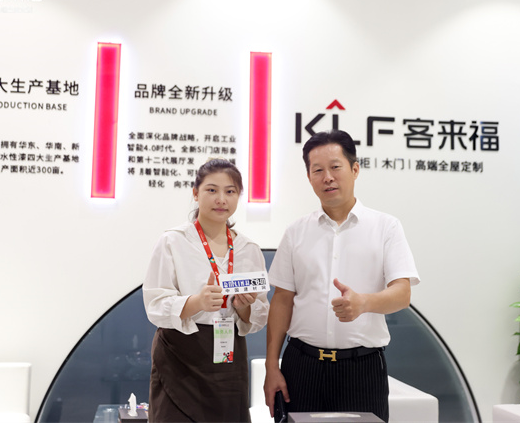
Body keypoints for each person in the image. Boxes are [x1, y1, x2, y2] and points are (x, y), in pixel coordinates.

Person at [263, 130, 420, 423]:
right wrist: (272, 366)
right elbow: (282, 300)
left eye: (335, 167)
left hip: (362, 369)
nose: (327, 178)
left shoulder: (386, 227)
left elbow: (402, 293)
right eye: (317, 170)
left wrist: (364, 303)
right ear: (309, 177)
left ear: (355, 169)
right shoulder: (296, 232)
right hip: (302, 366)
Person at [143, 158, 269, 423]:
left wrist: (244, 306)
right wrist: (196, 302)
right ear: (195, 193)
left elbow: (257, 317)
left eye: (230, 191)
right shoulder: (173, 241)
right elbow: (155, 305)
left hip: (228, 357)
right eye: (212, 190)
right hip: (180, 355)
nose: (221, 199)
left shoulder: (249, 250)